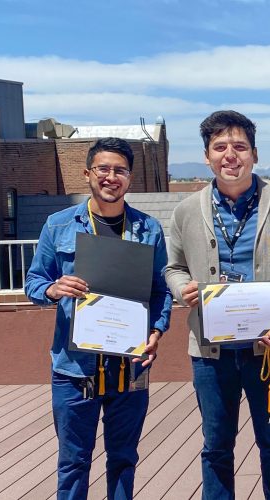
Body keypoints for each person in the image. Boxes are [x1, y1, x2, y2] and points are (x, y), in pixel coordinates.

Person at [163, 110, 270, 500]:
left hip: (268, 351)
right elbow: (173, 267)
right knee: (216, 446)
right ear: (207, 155)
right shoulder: (185, 211)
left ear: (255, 154)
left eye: (240, 147)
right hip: (210, 355)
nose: (231, 155)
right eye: (220, 147)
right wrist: (183, 289)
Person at [25, 137, 172, 499]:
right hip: (74, 370)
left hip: (129, 368)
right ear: (88, 173)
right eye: (103, 169)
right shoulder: (58, 225)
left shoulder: (148, 228)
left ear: (130, 178)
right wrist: (53, 289)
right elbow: (33, 282)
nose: (111, 177)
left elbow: (160, 290)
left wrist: (156, 330)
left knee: (123, 459)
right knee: (73, 462)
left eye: (119, 170)